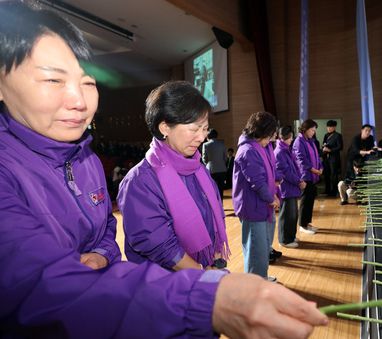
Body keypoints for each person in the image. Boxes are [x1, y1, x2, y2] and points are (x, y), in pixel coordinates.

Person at [0, 2, 327, 337]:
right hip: (154, 297)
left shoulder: (88, 161)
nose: (80, 101)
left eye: (88, 82)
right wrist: (204, 295)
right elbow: (40, 285)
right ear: (164, 127)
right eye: (53, 79)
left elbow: (106, 236)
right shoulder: (138, 180)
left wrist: (98, 256)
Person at [118, 81, 229, 272]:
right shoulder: (140, 181)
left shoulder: (196, 167)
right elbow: (159, 244)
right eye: (194, 129)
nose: (202, 137)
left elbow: (213, 213)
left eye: (205, 129)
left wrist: (215, 257)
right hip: (166, 286)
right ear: (165, 128)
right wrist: (201, 272)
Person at [233, 111, 280, 281]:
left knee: (262, 247)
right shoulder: (248, 150)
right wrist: (271, 198)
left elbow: (268, 175)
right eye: (269, 135)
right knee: (255, 249)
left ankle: (261, 277)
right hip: (252, 206)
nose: (271, 139)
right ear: (261, 132)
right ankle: (254, 284)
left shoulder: (260, 146)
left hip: (262, 203)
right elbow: (258, 182)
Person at [275, 126, 306, 248]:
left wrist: (299, 179)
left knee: (293, 214)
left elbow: (293, 167)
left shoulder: (286, 149)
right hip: (287, 187)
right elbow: (286, 172)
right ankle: (284, 240)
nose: (291, 139)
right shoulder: (280, 152)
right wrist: (298, 181)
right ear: (284, 137)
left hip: (292, 186)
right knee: (286, 215)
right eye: (290, 137)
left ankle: (290, 236)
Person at [293, 119, 323, 235]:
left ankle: (307, 223)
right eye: (312, 130)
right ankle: (302, 225)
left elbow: (317, 156)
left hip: (313, 175)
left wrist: (320, 167)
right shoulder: (299, 141)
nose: (313, 132)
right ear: (305, 129)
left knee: (310, 200)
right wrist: (313, 170)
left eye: (314, 130)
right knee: (305, 201)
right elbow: (301, 160)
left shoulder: (310, 140)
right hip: (305, 175)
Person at [202, 128, 228, 201]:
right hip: (222, 169)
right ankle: (221, 204)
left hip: (211, 170)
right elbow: (225, 157)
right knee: (221, 188)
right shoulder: (222, 144)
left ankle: (215, 205)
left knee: (212, 189)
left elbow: (204, 159)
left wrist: (208, 163)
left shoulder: (205, 145)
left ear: (208, 136)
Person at [322, 119, 343, 196]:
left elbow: (340, 147)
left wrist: (330, 150)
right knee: (326, 174)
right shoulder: (326, 135)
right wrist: (324, 147)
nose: (329, 128)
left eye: (330, 127)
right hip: (326, 158)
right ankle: (327, 190)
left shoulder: (338, 135)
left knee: (334, 175)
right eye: (328, 127)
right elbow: (324, 144)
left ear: (334, 127)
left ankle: (334, 191)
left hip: (334, 158)